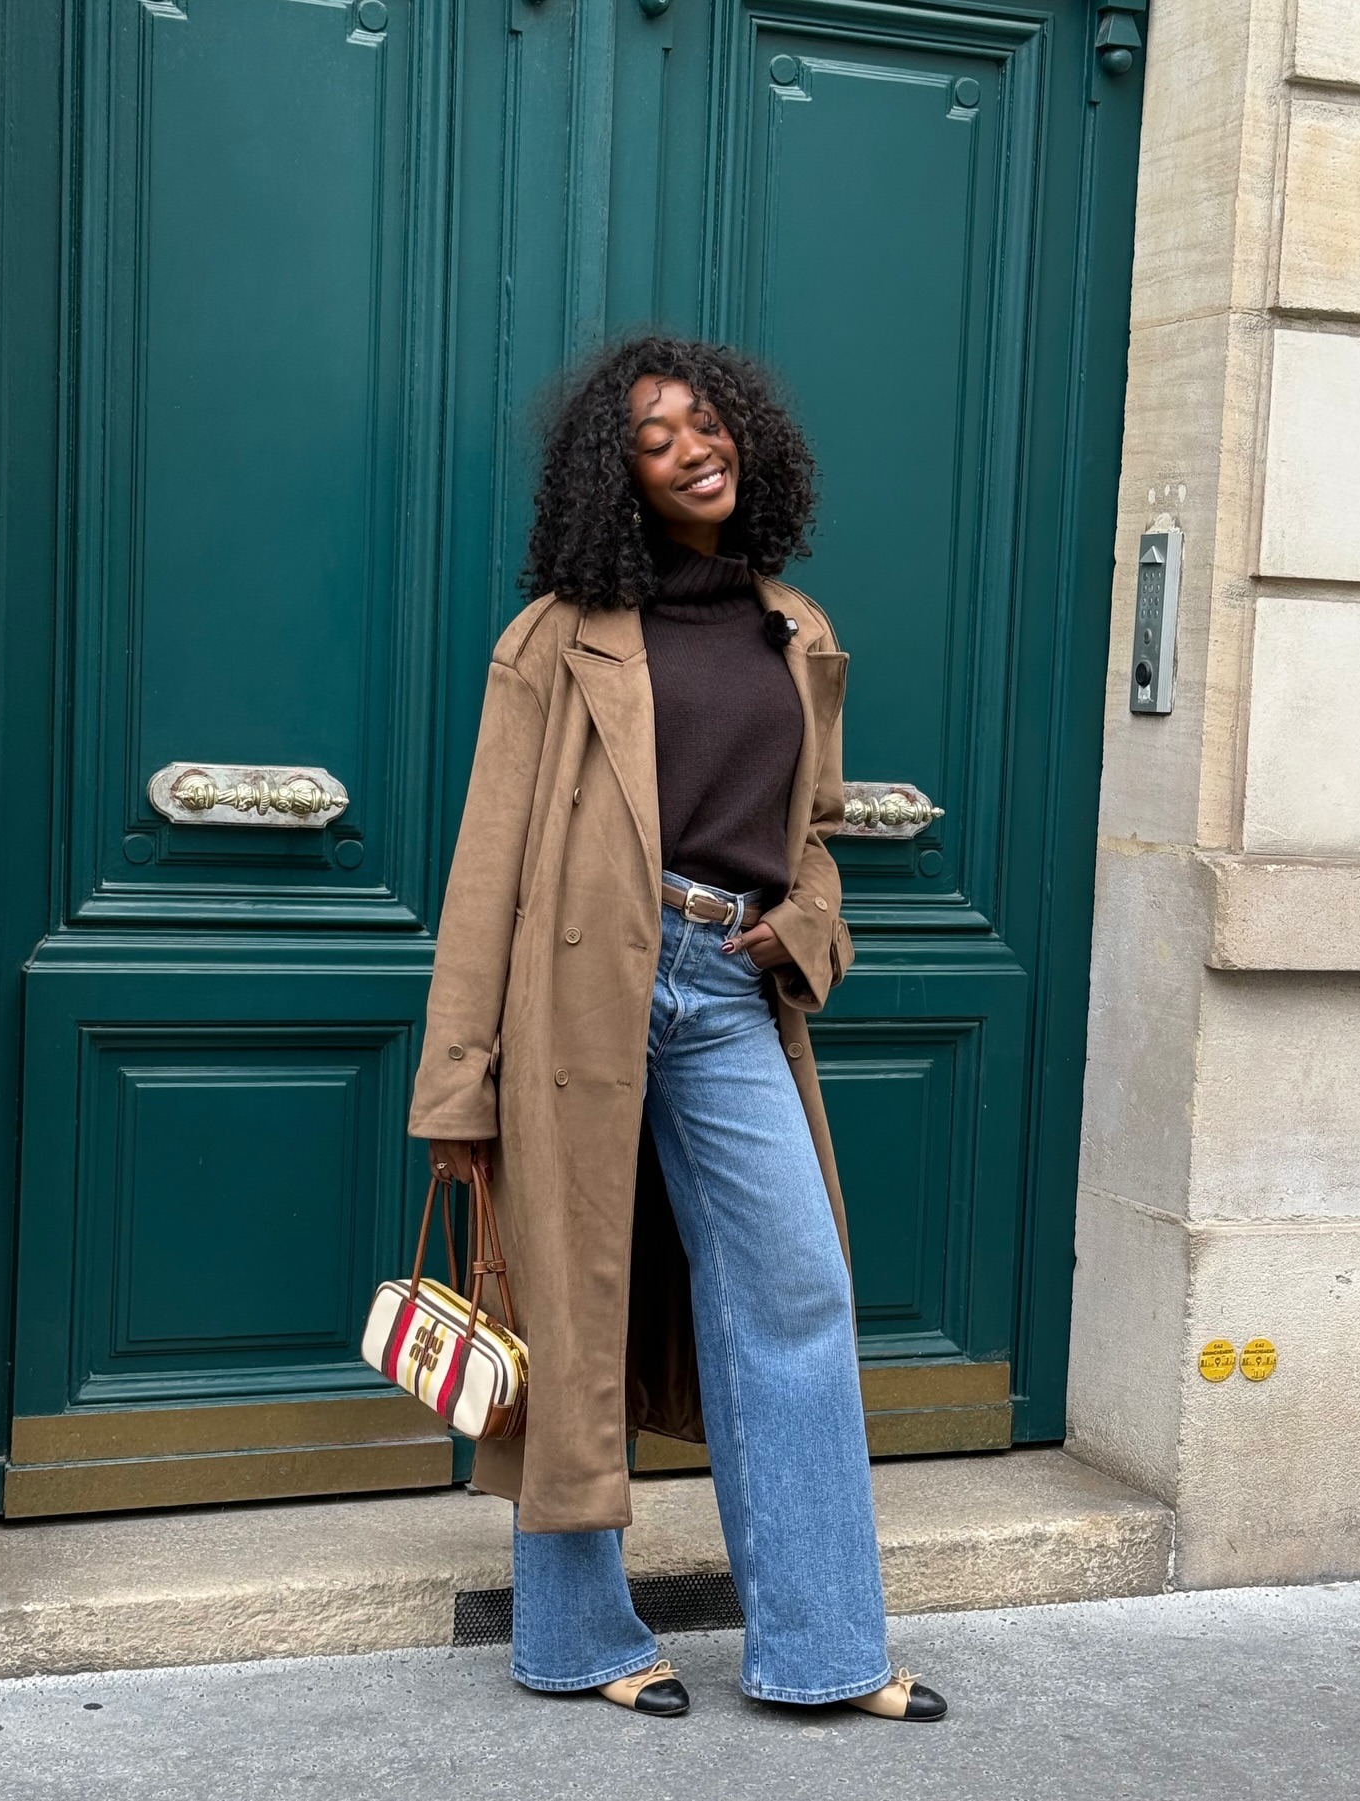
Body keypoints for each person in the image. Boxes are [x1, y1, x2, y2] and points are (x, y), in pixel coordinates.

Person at [408, 336, 946, 1723]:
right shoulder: (554, 635)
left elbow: (816, 836)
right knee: (570, 1309)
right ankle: (577, 1640)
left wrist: (803, 923)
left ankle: (825, 1646)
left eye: (708, 422)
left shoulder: (795, 629)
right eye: (658, 436)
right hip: (576, 992)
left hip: (722, 988)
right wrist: (456, 1087)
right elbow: (485, 866)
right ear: (618, 474)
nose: (696, 445)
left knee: (796, 1285)